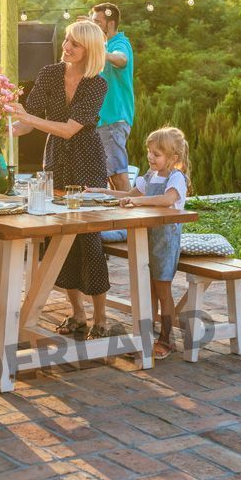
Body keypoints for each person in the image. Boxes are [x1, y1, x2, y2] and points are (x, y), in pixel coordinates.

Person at [5, 20, 123, 339]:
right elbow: (29, 121)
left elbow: (71, 129)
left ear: (90, 50)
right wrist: (3, 128)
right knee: (59, 238)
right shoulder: (49, 74)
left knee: (89, 240)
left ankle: (101, 317)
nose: (66, 47)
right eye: (67, 40)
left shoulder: (96, 84)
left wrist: (28, 118)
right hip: (55, 160)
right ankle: (78, 314)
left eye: (75, 44)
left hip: (87, 162)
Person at [101, 127, 190, 360]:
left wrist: (138, 202)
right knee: (147, 288)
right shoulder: (149, 177)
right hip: (145, 238)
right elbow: (127, 194)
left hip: (164, 240)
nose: (150, 157)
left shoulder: (175, 178)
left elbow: (167, 199)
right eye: (150, 152)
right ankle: (145, 337)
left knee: (162, 290)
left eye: (157, 154)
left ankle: (166, 339)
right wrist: (100, 192)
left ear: (173, 158)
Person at [90, 3, 135, 192]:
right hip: (104, 121)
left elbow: (121, 59)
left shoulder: (119, 43)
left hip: (114, 119)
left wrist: (102, 53)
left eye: (97, 22)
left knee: (117, 174)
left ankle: (131, 220)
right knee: (110, 176)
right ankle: (119, 219)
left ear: (110, 24)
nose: (94, 26)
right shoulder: (105, 45)